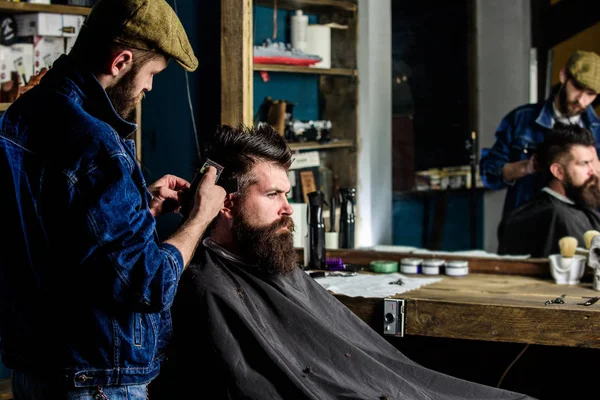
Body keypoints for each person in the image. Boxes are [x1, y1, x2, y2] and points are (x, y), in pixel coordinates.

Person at [151, 124, 534, 400]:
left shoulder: (266, 262)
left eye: (287, 194)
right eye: (272, 195)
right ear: (228, 203)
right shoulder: (208, 286)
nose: (288, 209)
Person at [0, 0, 225, 399]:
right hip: (96, 380)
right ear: (120, 61)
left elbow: (57, 232)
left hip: (36, 371)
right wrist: (200, 219)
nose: (149, 88)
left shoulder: (23, 114)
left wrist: (141, 205)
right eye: (152, 73)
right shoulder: (98, 146)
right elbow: (148, 283)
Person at [480, 50, 600, 217]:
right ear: (564, 76)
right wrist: (526, 167)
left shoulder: (598, 131)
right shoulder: (521, 119)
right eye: (578, 87)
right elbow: (489, 173)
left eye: (590, 94)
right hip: (524, 225)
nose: (581, 100)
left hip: (580, 226)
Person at [498, 124, 600, 257]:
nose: (594, 171)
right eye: (584, 163)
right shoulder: (546, 215)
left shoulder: (584, 208)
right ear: (558, 171)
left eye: (594, 162)